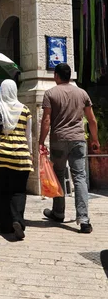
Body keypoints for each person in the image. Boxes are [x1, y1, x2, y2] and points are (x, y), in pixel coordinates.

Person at [39, 62, 100, 234]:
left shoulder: (50, 93)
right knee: (80, 177)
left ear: (56, 76)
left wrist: (41, 142)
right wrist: (94, 139)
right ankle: (84, 219)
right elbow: (92, 120)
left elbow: (46, 121)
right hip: (78, 140)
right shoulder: (82, 93)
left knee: (58, 175)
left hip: (59, 139)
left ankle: (58, 212)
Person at [0, 79, 33, 240]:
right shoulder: (25, 110)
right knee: (18, 191)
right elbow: (29, 136)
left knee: (2, 191)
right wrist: (29, 154)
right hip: (20, 157)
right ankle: (17, 220)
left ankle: (4, 226)